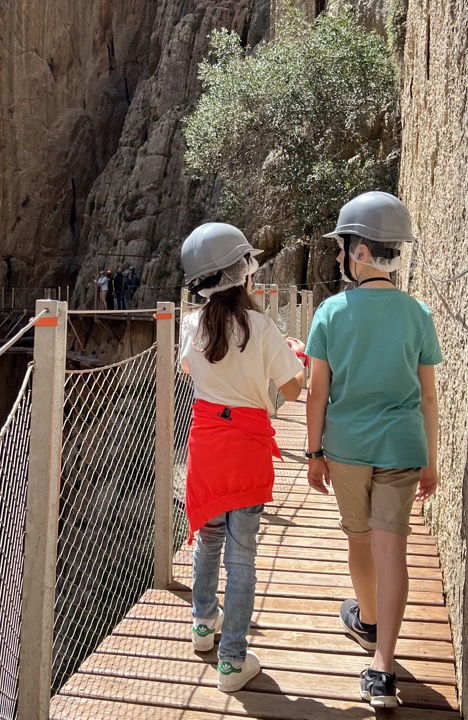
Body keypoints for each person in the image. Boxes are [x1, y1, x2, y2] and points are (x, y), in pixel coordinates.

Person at [303, 191, 442, 709]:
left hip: (348, 449)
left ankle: (366, 619)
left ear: (359, 251)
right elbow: (428, 393)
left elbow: (318, 391)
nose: (340, 256)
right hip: (404, 446)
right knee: (394, 550)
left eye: (343, 248)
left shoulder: (330, 313)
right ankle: (383, 667)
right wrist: (430, 459)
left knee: (359, 540)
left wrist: (314, 453)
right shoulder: (417, 314)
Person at [179, 222, 307, 693]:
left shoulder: (191, 324)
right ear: (243, 273)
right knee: (243, 556)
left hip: (207, 444)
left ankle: (201, 626)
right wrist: (297, 356)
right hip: (248, 447)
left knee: (206, 540)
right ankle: (232, 661)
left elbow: (193, 369)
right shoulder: (262, 326)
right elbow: (292, 391)